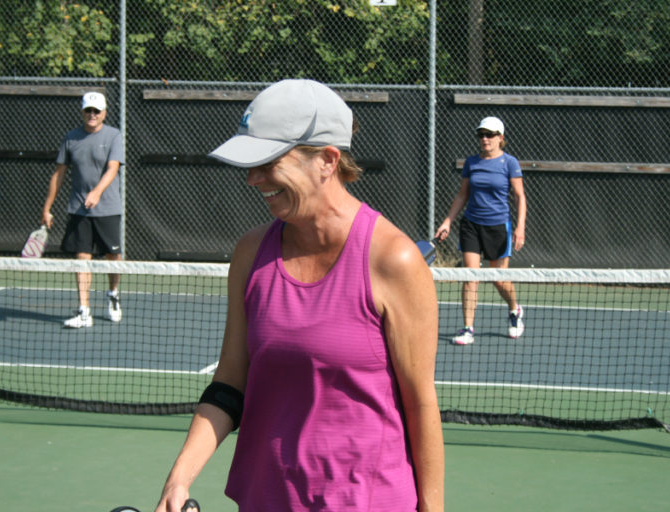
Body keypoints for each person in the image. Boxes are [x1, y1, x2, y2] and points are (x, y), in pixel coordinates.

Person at [155, 79, 444, 512]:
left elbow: (420, 403)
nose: (252, 179)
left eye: (268, 163)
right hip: (265, 499)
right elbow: (229, 384)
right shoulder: (251, 253)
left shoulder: (394, 259)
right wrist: (178, 480)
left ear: (327, 160)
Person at [434, 116, 526, 346]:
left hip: (498, 227)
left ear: (500, 137)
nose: (485, 139)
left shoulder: (509, 163)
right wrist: (447, 222)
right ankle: (468, 329)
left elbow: (519, 196)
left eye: (490, 134)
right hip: (471, 225)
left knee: (498, 279)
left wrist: (520, 227)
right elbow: (462, 194)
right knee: (470, 277)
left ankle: (514, 310)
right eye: (481, 134)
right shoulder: (472, 162)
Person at [41, 91, 124, 328]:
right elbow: (59, 174)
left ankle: (113, 295)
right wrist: (47, 208)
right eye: (88, 110)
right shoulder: (71, 138)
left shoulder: (114, 136)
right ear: (82, 112)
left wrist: (97, 192)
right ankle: (84, 311)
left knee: (113, 257)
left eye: (97, 111)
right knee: (82, 259)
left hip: (108, 209)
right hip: (79, 210)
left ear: (104, 113)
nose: (92, 114)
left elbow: (113, 168)